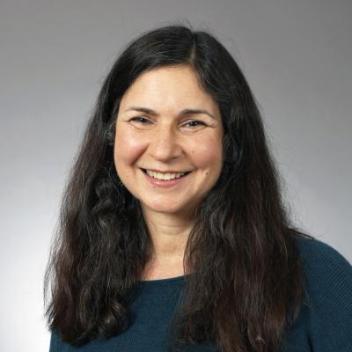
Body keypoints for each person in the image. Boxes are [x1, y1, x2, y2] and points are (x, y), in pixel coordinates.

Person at [45, 25, 352, 352]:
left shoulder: (316, 278)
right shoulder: (87, 290)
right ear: (110, 132)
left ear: (229, 141)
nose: (164, 150)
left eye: (193, 123)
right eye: (142, 119)